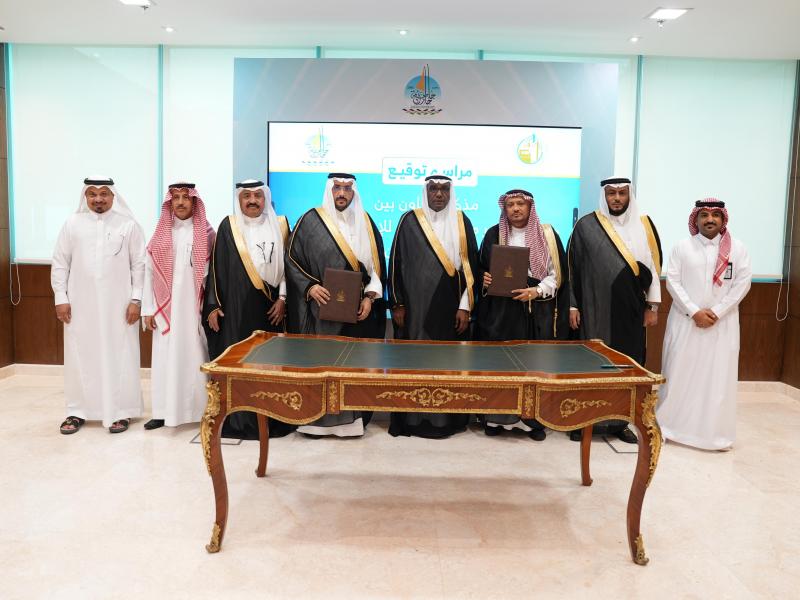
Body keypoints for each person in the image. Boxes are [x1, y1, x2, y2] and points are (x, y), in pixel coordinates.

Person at [285, 173, 386, 437]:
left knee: (351, 366)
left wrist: (370, 297)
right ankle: (315, 421)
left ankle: (350, 424)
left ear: (354, 192)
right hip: (321, 312)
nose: (341, 193)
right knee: (324, 365)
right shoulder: (310, 220)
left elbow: (376, 269)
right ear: (329, 190)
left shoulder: (366, 222)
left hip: (356, 313)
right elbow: (292, 259)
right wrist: (310, 287)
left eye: (347, 188)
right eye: (337, 188)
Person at [567, 177, 662, 443]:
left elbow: (653, 268)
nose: (617, 198)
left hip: (631, 311)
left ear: (629, 195)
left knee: (626, 365)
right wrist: (573, 304)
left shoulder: (644, 225)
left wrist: (652, 306)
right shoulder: (587, 225)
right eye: (611, 193)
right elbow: (573, 267)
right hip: (594, 308)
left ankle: (620, 423)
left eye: (622, 193)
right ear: (604, 195)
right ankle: (585, 422)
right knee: (592, 365)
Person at [52, 176, 146, 434]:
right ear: (85, 196)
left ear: (113, 196)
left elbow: (139, 265)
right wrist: (61, 297)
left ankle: (122, 411)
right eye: (92, 194)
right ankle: (77, 411)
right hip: (79, 306)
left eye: (104, 193)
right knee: (80, 355)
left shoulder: (128, 225)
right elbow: (60, 262)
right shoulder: (72, 224)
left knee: (121, 355)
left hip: (120, 307)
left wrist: (136, 300)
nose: (98, 199)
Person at [388, 175, 479, 438]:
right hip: (414, 309)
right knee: (414, 363)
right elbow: (395, 263)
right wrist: (397, 303)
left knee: (446, 364)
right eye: (433, 189)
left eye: (444, 189)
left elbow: (471, 269)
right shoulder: (409, 220)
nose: (439, 194)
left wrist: (465, 306)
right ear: (425, 192)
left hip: (450, 308)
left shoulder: (462, 221)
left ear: (451, 192)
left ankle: (444, 421)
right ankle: (412, 420)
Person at [657, 199, 751, 451]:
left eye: (715, 215)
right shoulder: (682, 247)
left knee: (717, 378)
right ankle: (669, 427)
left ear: (723, 219)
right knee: (679, 373)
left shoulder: (738, 249)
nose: (710, 219)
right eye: (705, 215)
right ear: (696, 219)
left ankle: (714, 435)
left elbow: (743, 284)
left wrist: (717, 312)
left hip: (723, 325)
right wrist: (694, 311)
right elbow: (673, 282)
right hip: (685, 322)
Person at [476, 189, 570, 440]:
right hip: (500, 314)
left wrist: (536, 291)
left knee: (531, 368)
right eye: (510, 205)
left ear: (530, 207)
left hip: (534, 313)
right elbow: (480, 269)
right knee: (499, 368)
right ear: (504, 209)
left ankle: (531, 422)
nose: (515, 208)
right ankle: (496, 418)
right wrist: (484, 278)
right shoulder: (493, 234)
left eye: (520, 204)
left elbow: (557, 275)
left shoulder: (547, 235)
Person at [203, 179, 293, 439]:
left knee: (269, 365)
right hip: (237, 310)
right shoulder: (229, 226)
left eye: (257, 195)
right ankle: (240, 420)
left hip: (272, 309)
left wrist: (283, 299)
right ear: (239, 199)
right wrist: (213, 306)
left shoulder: (281, 224)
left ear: (265, 198)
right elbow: (217, 268)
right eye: (247, 196)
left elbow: (289, 267)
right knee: (240, 363)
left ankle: (272, 418)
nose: (252, 201)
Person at [142, 182, 215, 429]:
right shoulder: (161, 234)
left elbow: (215, 275)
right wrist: (148, 309)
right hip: (165, 310)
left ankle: (198, 410)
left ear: (194, 201)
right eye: (176, 198)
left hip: (194, 310)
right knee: (164, 358)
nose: (181, 202)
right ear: (169, 202)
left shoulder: (207, 233)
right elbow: (148, 273)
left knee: (194, 356)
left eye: (186, 197)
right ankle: (162, 412)